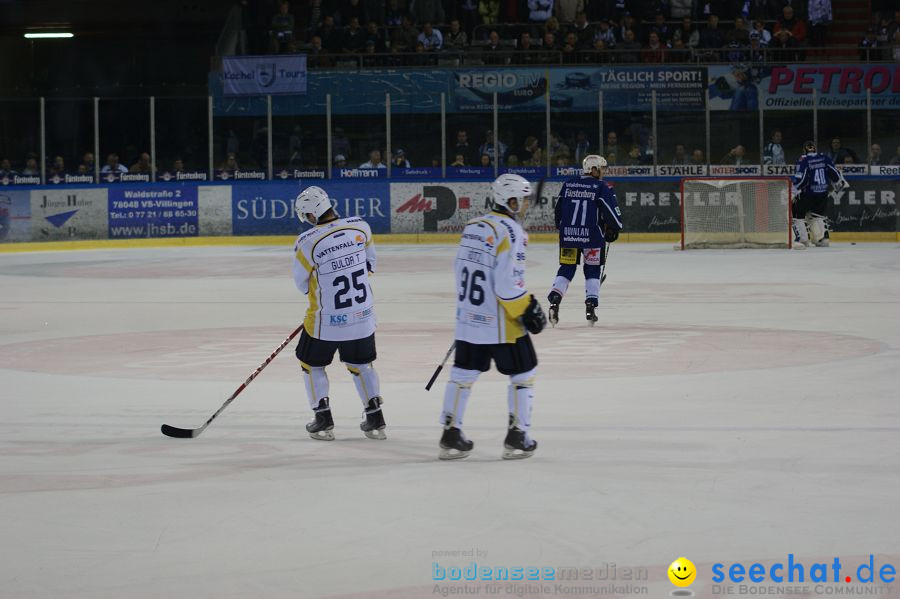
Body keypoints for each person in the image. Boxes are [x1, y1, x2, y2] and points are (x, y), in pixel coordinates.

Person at [439, 174, 547, 461]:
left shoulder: (473, 226)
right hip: (500, 324)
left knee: (462, 375)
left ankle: (450, 435)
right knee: (524, 374)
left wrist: (467, 312)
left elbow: (459, 269)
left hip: (469, 320)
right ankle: (518, 436)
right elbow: (507, 285)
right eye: (523, 200)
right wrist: (528, 307)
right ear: (510, 201)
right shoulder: (511, 232)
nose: (526, 205)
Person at [291, 186, 386, 441]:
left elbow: (302, 285)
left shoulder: (306, 242)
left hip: (326, 321)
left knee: (311, 365)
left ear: (311, 215)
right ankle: (376, 419)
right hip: (363, 317)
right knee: (361, 365)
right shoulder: (361, 227)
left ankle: (323, 420)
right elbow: (370, 266)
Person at [547, 155, 622, 327]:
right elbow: (613, 215)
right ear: (593, 169)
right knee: (593, 269)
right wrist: (614, 227)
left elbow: (558, 211)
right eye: (602, 169)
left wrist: (564, 229)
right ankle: (590, 306)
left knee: (566, 269)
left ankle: (554, 300)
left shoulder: (568, 184)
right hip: (592, 238)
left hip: (569, 237)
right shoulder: (601, 187)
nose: (603, 173)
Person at [791, 140, 847, 248]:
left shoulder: (804, 160)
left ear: (804, 150)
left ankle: (802, 240)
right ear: (815, 149)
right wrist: (839, 182)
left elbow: (801, 179)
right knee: (818, 215)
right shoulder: (824, 157)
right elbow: (834, 173)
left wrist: (793, 191)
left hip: (808, 193)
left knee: (797, 213)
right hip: (822, 194)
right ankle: (822, 239)